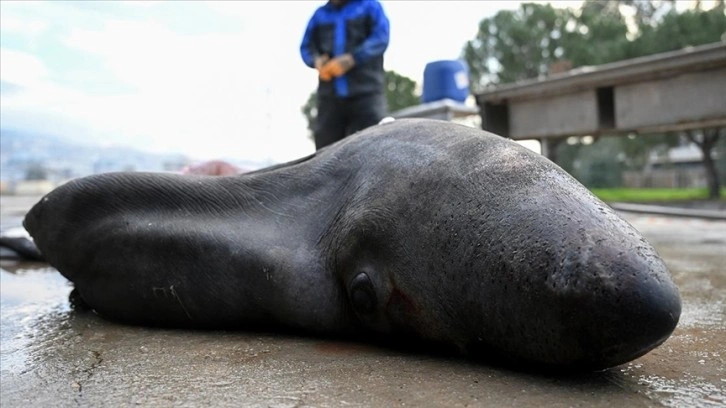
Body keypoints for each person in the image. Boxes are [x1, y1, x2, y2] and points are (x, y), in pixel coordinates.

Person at [300, 0, 390, 150]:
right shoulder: (320, 15)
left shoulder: (369, 6)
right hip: (330, 96)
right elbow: (306, 47)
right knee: (325, 152)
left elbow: (380, 38)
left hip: (366, 94)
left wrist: (353, 58)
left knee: (373, 148)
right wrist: (316, 61)